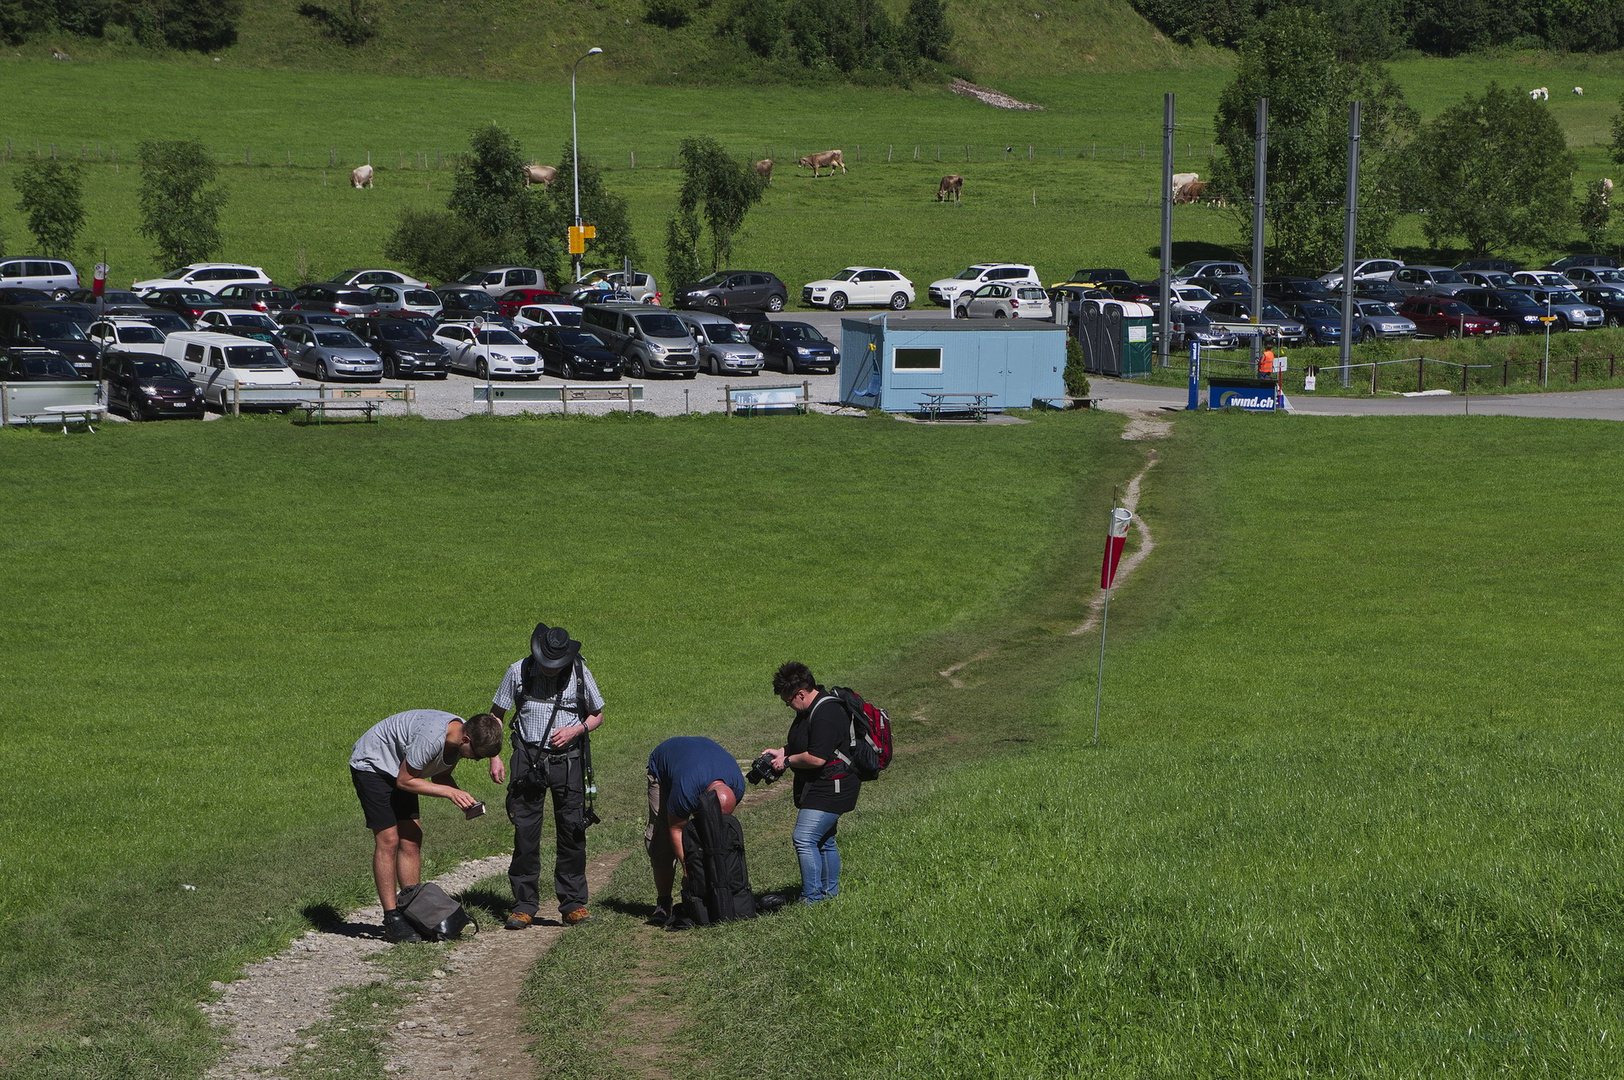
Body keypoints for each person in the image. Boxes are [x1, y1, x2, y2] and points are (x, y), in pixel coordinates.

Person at [349, 709, 503, 942]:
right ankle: (392, 919)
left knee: (411, 839)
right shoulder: (431, 738)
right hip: (374, 765)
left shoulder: (459, 738)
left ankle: (413, 910)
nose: (476, 760)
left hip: (402, 769)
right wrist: (450, 793)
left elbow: (440, 778)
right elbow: (405, 781)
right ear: (466, 740)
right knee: (389, 840)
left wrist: (461, 796)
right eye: (477, 755)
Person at [489, 623, 605, 929]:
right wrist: (494, 756)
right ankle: (523, 905)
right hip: (527, 760)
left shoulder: (580, 672)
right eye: (546, 663)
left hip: (569, 763)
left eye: (556, 664)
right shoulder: (517, 671)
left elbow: (598, 714)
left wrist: (576, 730)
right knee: (525, 833)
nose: (550, 669)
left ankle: (573, 904)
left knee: (572, 831)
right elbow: (495, 717)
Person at [760, 661, 861, 904]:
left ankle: (812, 898)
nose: (788, 706)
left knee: (804, 838)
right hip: (823, 784)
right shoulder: (809, 710)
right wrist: (782, 751)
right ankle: (828, 895)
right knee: (824, 840)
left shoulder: (826, 713)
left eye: (788, 701)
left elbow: (816, 757)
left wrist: (787, 762)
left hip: (833, 786)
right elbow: (806, 742)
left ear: (801, 693)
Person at [645, 736, 746, 925]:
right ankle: (663, 903)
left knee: (713, 838)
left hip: (698, 761)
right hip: (665, 766)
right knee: (662, 840)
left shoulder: (737, 787)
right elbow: (676, 828)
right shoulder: (686, 790)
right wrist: (688, 868)